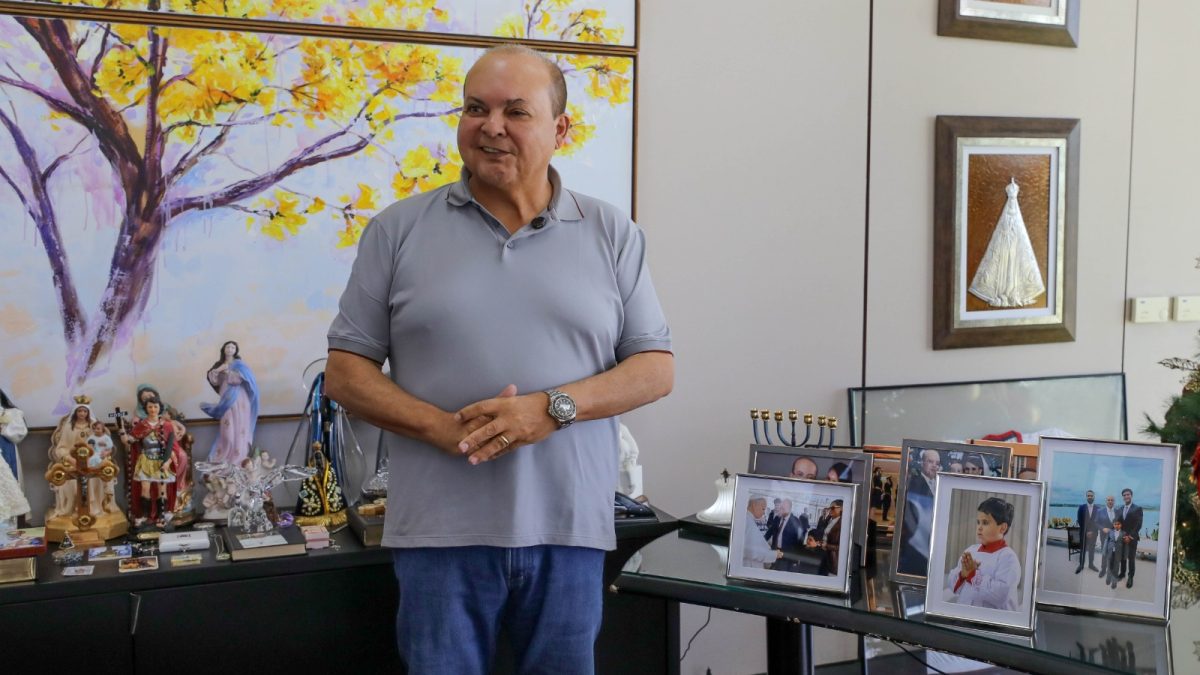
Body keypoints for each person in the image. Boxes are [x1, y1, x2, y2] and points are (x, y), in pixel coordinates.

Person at [322, 45, 674, 675]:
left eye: (516, 111)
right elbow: (345, 374)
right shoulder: (397, 230)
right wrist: (441, 429)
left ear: (560, 129)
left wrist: (551, 409)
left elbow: (655, 368)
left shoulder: (611, 232)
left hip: (569, 530)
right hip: (438, 535)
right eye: (475, 108)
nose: (491, 126)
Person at [945, 497, 1021, 610]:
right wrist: (963, 575)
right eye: (978, 522)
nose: (979, 527)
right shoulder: (971, 551)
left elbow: (1002, 595)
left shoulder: (1008, 558)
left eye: (985, 523)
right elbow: (953, 587)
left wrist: (973, 575)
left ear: (1002, 528)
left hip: (993, 619)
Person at [121, 397, 178, 527]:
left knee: (161, 489)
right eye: (150, 407)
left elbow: (172, 447)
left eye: (155, 407)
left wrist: (168, 462)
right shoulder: (142, 425)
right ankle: (145, 516)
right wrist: (121, 430)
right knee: (145, 488)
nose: (153, 409)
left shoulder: (167, 425)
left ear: (159, 408)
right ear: (146, 409)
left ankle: (161, 516)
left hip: (161, 461)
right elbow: (128, 441)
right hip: (146, 460)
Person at [200, 340, 259, 464]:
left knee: (241, 430)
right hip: (226, 399)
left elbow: (238, 380)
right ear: (224, 349)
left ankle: (239, 460)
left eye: (233, 347)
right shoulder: (219, 364)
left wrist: (227, 372)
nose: (230, 349)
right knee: (228, 432)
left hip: (240, 399)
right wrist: (216, 371)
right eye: (228, 347)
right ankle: (224, 458)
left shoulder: (240, 365)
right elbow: (215, 381)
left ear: (236, 350)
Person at [47, 398, 99, 518]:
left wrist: (93, 456)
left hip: (91, 460)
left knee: (94, 475)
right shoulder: (68, 427)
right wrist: (69, 458)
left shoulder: (94, 426)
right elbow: (61, 448)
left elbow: (99, 444)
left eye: (85, 411)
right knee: (72, 479)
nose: (82, 414)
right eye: (79, 411)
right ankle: (77, 507)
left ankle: (90, 507)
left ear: (88, 413)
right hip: (73, 461)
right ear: (75, 412)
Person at [898, 449, 940, 575]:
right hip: (915, 541)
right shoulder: (913, 483)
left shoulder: (941, 485)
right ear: (922, 463)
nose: (934, 466)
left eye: (937, 463)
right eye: (930, 461)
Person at [764, 498, 809, 572]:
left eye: (783, 508)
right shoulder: (777, 518)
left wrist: (796, 558)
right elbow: (769, 532)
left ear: (789, 509)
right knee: (773, 570)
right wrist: (761, 542)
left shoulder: (796, 522)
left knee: (781, 572)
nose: (780, 510)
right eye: (781, 507)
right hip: (775, 551)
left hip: (786, 554)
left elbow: (800, 541)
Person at [743, 497, 784, 569]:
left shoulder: (748, 520)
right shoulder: (748, 522)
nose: (764, 512)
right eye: (763, 509)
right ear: (754, 505)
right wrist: (773, 554)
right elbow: (752, 551)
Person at [807, 499, 843, 576]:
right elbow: (822, 533)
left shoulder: (843, 524)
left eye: (833, 508)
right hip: (822, 554)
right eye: (829, 508)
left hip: (832, 560)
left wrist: (824, 545)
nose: (830, 510)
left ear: (841, 508)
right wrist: (814, 538)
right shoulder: (829, 519)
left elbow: (840, 547)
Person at [1117, 488, 1143, 589]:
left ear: (1131, 495)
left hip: (1132, 538)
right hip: (1122, 537)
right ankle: (1122, 573)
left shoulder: (1137, 508)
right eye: (1124, 495)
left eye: (1128, 494)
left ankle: (1130, 577)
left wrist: (1130, 536)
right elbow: (1118, 523)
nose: (1126, 496)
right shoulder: (1120, 509)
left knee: (1131, 558)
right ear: (1123, 497)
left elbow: (1138, 524)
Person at [1075, 490, 1100, 574]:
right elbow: (1080, 521)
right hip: (1083, 532)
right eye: (1088, 495)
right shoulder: (1081, 507)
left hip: (1094, 533)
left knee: (1092, 549)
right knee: (1082, 549)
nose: (1090, 497)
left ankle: (1091, 564)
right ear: (1086, 497)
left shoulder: (1098, 508)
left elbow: (1098, 522)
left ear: (1094, 497)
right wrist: (1087, 531)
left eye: (1091, 495)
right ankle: (1081, 565)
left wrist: (1092, 531)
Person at [1096, 495, 1117, 579]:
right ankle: (1103, 569)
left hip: (1115, 536)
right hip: (1104, 535)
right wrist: (1102, 528)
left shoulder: (1117, 511)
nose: (1110, 501)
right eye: (1108, 500)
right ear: (1106, 501)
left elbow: (1120, 522)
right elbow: (1096, 522)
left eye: (1112, 500)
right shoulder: (1100, 511)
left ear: (1114, 501)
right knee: (1104, 553)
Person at [1103, 518, 1126, 589]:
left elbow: (1125, 545)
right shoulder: (1110, 532)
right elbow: (1106, 541)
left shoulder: (1124, 533)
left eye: (1118, 524)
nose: (1117, 525)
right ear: (1113, 525)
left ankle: (1114, 582)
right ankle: (1108, 578)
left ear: (1121, 525)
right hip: (1110, 552)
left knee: (1116, 568)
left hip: (1118, 553)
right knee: (1109, 566)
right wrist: (1104, 551)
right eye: (1115, 524)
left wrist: (1125, 555)